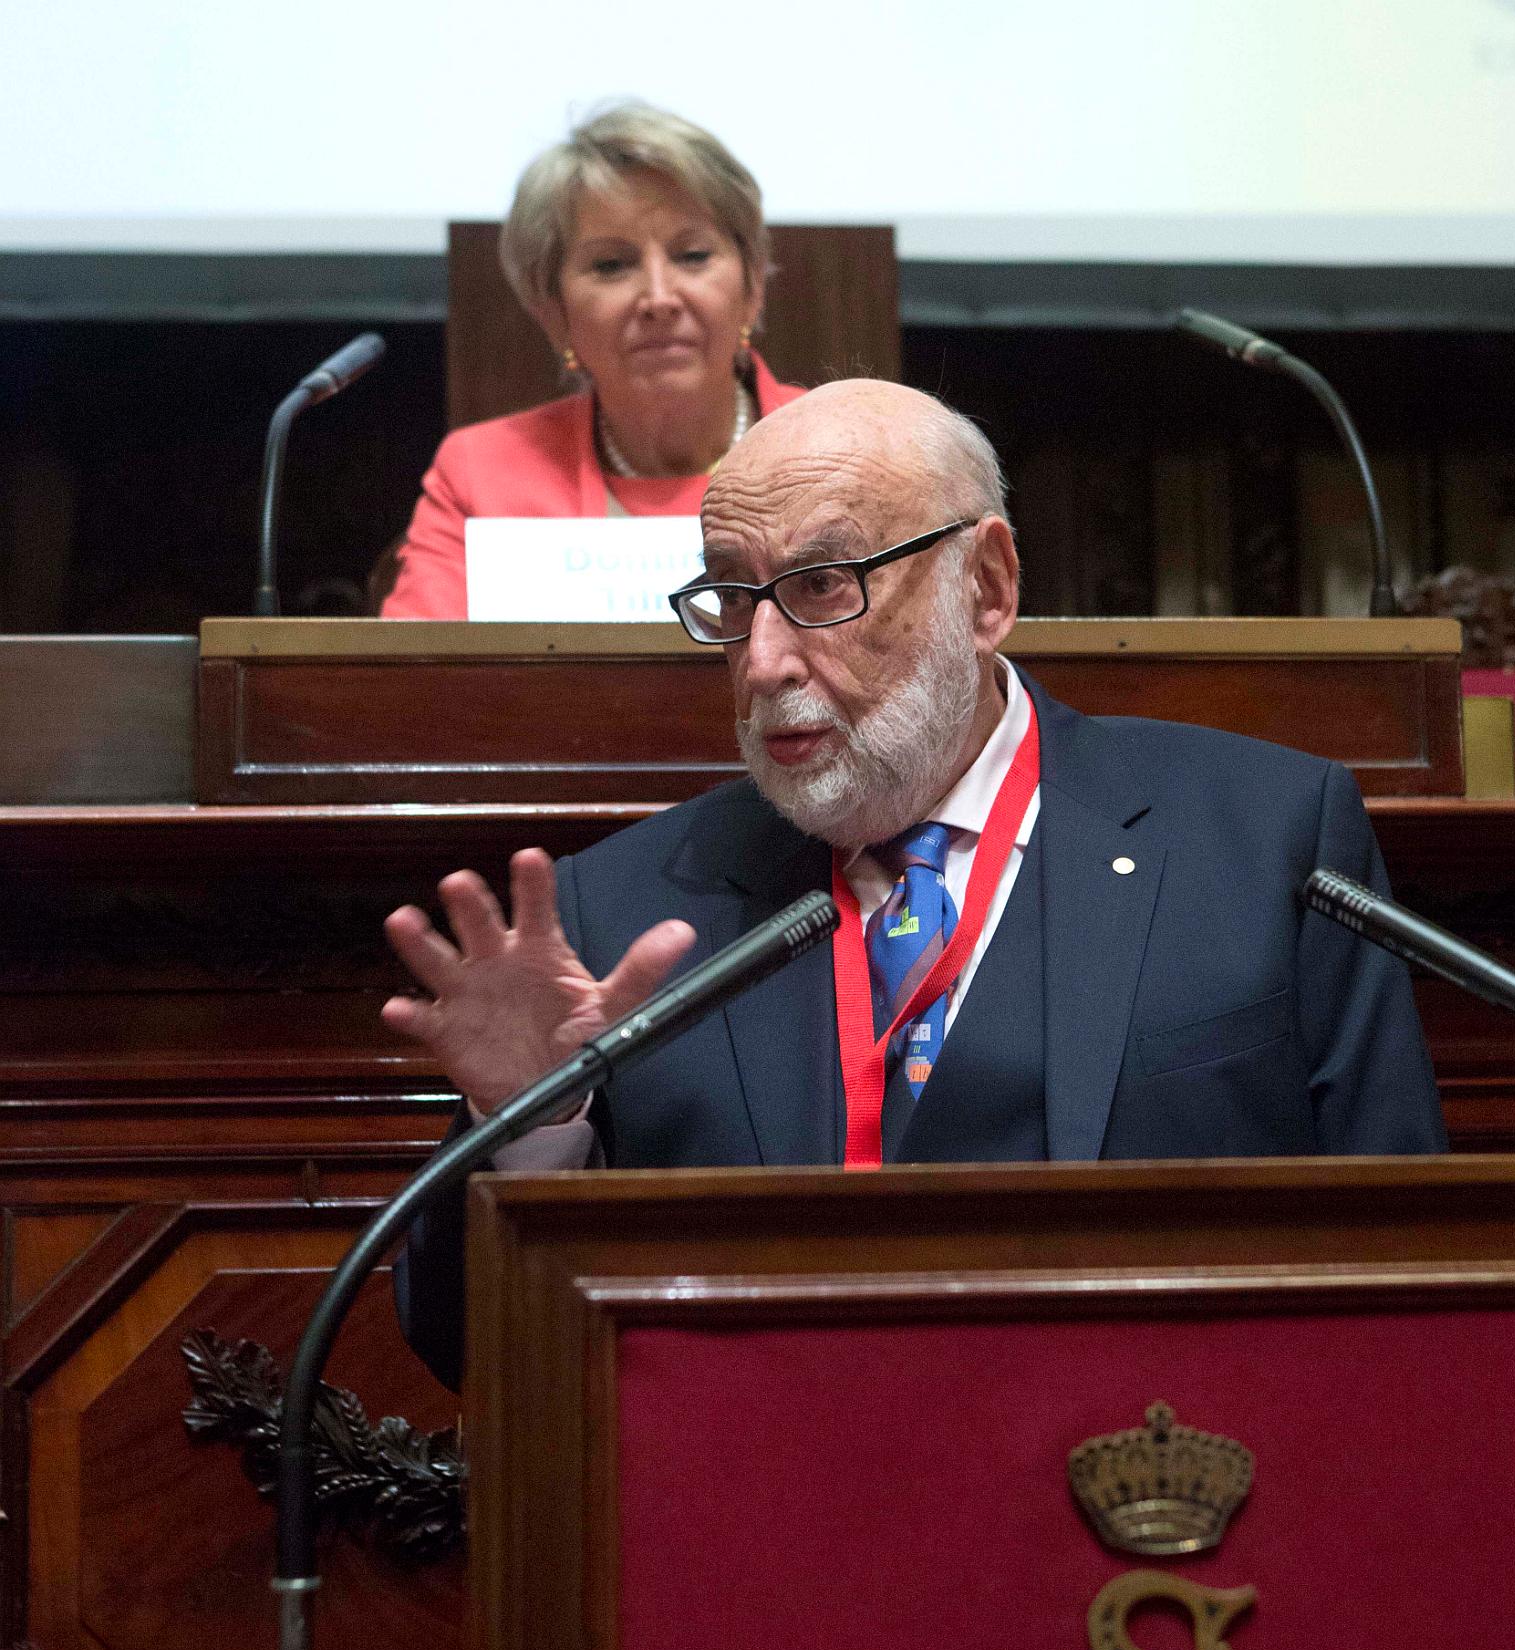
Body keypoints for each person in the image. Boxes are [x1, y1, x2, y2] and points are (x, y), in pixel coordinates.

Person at [386, 380, 1446, 1384]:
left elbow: (1410, 1276)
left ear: (985, 588)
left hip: (1167, 1508)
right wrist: (530, 1120)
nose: (761, 662)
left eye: (818, 587)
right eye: (732, 597)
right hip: (776, 1529)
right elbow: (465, 1346)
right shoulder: (621, 915)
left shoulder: (1260, 839)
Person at [379, 103, 805, 619]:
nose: (658, 297)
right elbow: (414, 686)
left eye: (692, 255)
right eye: (612, 265)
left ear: (753, 286)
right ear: (553, 312)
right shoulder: (482, 476)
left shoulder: (846, 456)